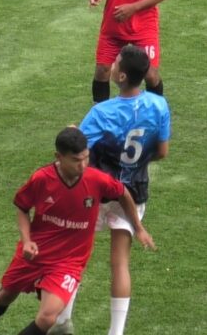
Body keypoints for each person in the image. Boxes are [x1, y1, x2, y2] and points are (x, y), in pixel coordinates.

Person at [0, 127, 155, 335]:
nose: (83, 165)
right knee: (6, 294)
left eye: (86, 158)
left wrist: (138, 228)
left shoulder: (96, 179)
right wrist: (27, 240)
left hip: (68, 261)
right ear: (59, 157)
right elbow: (22, 207)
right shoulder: (41, 179)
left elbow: (122, 193)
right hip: (37, 252)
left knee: (48, 317)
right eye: (76, 160)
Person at [51, 44, 171, 335]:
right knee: (120, 264)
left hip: (98, 191)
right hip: (135, 191)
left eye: (116, 62)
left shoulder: (102, 112)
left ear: (120, 76)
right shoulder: (159, 106)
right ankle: (115, 332)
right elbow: (162, 152)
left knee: (75, 254)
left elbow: (79, 151)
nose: (112, 64)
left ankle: (62, 320)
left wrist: (72, 129)